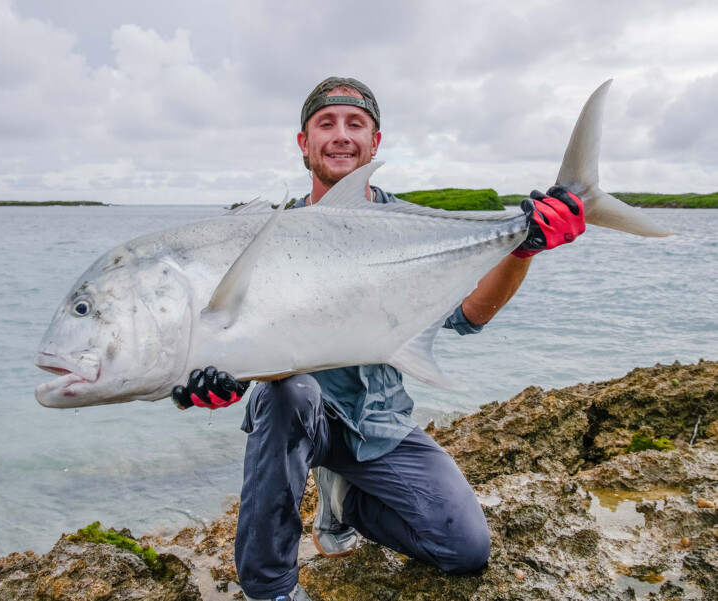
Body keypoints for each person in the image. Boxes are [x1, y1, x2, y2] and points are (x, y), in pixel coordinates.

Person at [171, 77, 586, 601]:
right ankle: (269, 589)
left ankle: (346, 504)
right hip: (301, 418)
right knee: (288, 394)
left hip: (380, 421)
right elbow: (241, 336)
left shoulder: (407, 225)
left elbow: (469, 314)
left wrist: (522, 248)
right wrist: (216, 372)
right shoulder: (268, 235)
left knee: (466, 549)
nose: (341, 135)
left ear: (375, 141)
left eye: (355, 124)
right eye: (326, 124)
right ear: (304, 142)